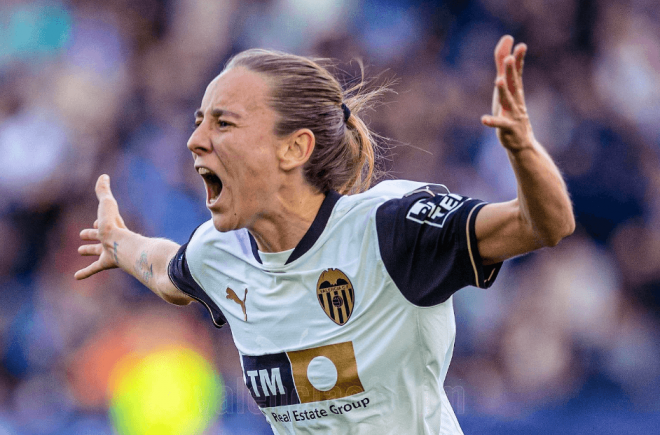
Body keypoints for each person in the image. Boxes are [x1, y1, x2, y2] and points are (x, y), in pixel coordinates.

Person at [76, 35, 574, 434]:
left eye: (223, 123)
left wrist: (524, 150)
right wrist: (119, 244)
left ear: (294, 149)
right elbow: (168, 271)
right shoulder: (218, 252)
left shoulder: (389, 229)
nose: (195, 140)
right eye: (199, 121)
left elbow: (544, 225)